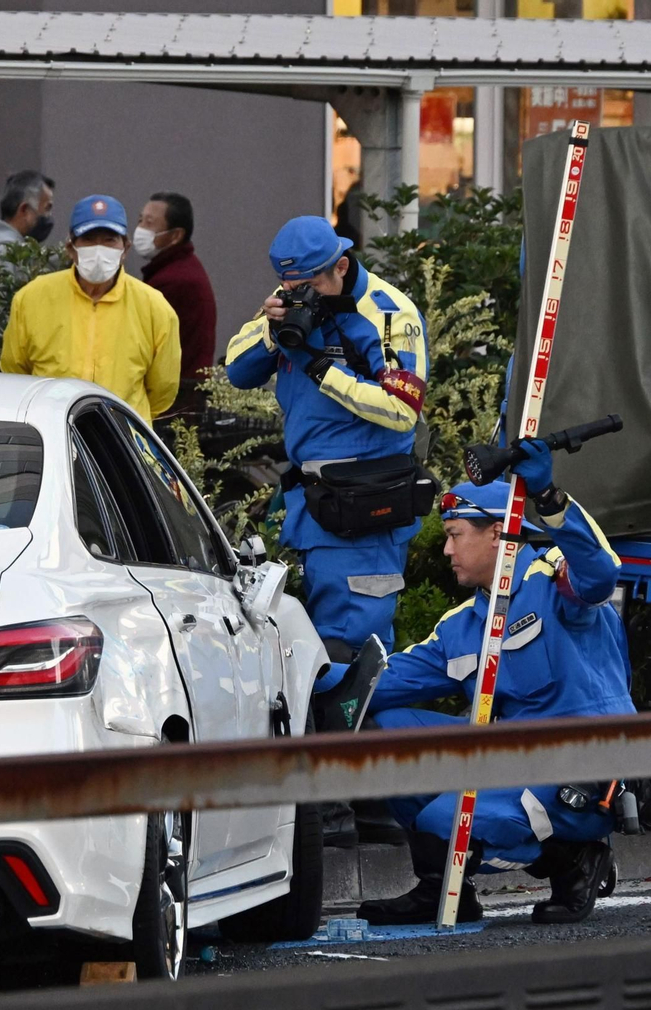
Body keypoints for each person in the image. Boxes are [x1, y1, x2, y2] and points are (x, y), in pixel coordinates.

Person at [357, 452, 632, 926]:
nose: (446, 551)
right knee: (388, 733)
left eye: (454, 536)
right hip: (515, 758)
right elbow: (374, 688)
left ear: (496, 533)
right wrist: (298, 684)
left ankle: (573, 858)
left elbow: (601, 574)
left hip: (583, 766)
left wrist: (549, 497)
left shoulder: (554, 579)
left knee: (446, 823)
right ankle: (445, 891)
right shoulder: (461, 627)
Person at [226, 216, 429, 847]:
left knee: (353, 651)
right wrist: (273, 325)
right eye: (291, 284)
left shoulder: (389, 311)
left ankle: (358, 807)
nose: (303, 293)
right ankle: (362, 804)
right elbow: (235, 370)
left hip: (365, 500)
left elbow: (401, 405)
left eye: (311, 282)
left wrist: (321, 367)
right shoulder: (291, 302)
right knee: (316, 648)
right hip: (311, 499)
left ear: (341, 264)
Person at [0, 195, 180, 424]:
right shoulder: (31, 299)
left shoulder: (154, 308)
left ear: (125, 248)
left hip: (123, 445)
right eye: (88, 240)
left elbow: (163, 390)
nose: (99, 249)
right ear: (70, 248)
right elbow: (15, 376)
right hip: (50, 435)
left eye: (109, 240)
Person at [133, 192, 216, 423]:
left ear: (175, 235)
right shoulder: (178, 270)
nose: (140, 229)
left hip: (174, 405)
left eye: (149, 223)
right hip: (182, 400)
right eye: (140, 220)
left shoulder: (174, 281)